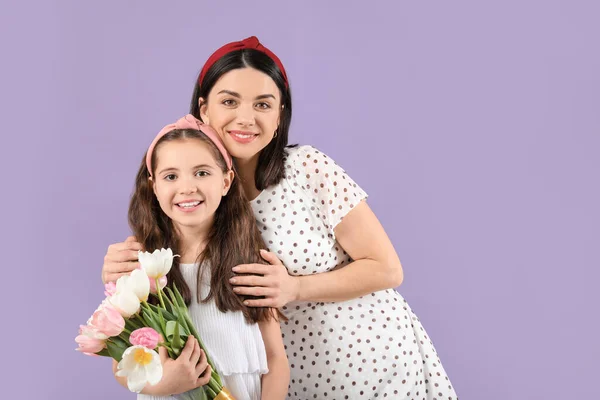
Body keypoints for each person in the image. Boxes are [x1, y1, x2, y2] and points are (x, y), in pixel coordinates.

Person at [103, 37, 457, 399]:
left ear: (279, 115)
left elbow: (387, 269)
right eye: (229, 101)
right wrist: (123, 273)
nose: (245, 118)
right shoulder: (196, 200)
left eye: (263, 104)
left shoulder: (306, 168)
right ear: (204, 109)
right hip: (287, 384)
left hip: (373, 367)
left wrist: (296, 288)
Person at [111, 114, 289, 400]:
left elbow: (276, 360)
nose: (187, 188)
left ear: (226, 181)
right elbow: (121, 363)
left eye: (202, 173)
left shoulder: (250, 261)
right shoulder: (139, 267)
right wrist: (163, 385)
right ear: (154, 186)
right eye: (171, 176)